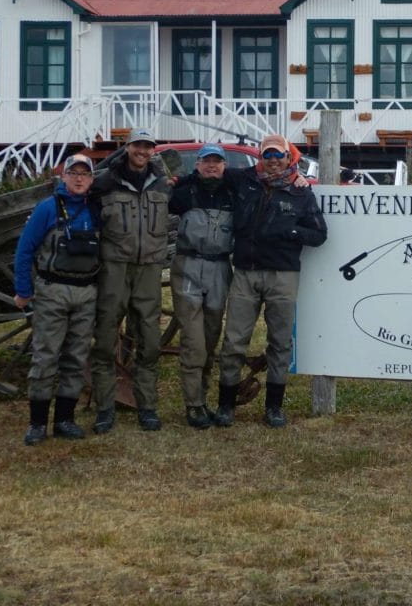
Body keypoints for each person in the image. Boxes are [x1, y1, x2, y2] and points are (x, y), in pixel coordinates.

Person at [212, 134, 327, 428]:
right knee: (234, 340)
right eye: (268, 156)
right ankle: (226, 405)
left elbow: (319, 235)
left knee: (279, 343)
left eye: (279, 156)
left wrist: (289, 232)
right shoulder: (243, 180)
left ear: (290, 159)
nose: (274, 162)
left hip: (283, 275)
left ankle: (274, 407)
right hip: (246, 273)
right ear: (260, 158)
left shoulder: (301, 192)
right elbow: (208, 173)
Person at [13, 154, 101, 445]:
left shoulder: (97, 209)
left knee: (76, 358)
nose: (78, 179)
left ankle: (65, 419)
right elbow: (25, 250)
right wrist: (24, 291)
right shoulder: (47, 209)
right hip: (52, 291)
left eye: (84, 174)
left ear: (91, 179)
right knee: (46, 356)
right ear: (63, 177)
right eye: (73, 173)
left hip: (86, 293)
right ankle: (37, 423)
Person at [89, 127, 171, 433]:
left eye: (147, 146)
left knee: (150, 340)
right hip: (115, 269)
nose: (142, 150)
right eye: (137, 144)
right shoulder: (105, 182)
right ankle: (105, 408)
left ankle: (146, 406)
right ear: (127, 147)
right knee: (106, 337)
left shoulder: (163, 184)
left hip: (149, 269)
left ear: (153, 150)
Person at [168, 143, 234, 429]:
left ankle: (203, 398)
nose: (211, 166)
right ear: (197, 165)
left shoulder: (234, 193)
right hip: (188, 267)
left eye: (216, 162)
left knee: (210, 336)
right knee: (193, 342)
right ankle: (193, 405)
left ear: (224, 166)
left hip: (220, 268)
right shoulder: (183, 193)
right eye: (206, 161)